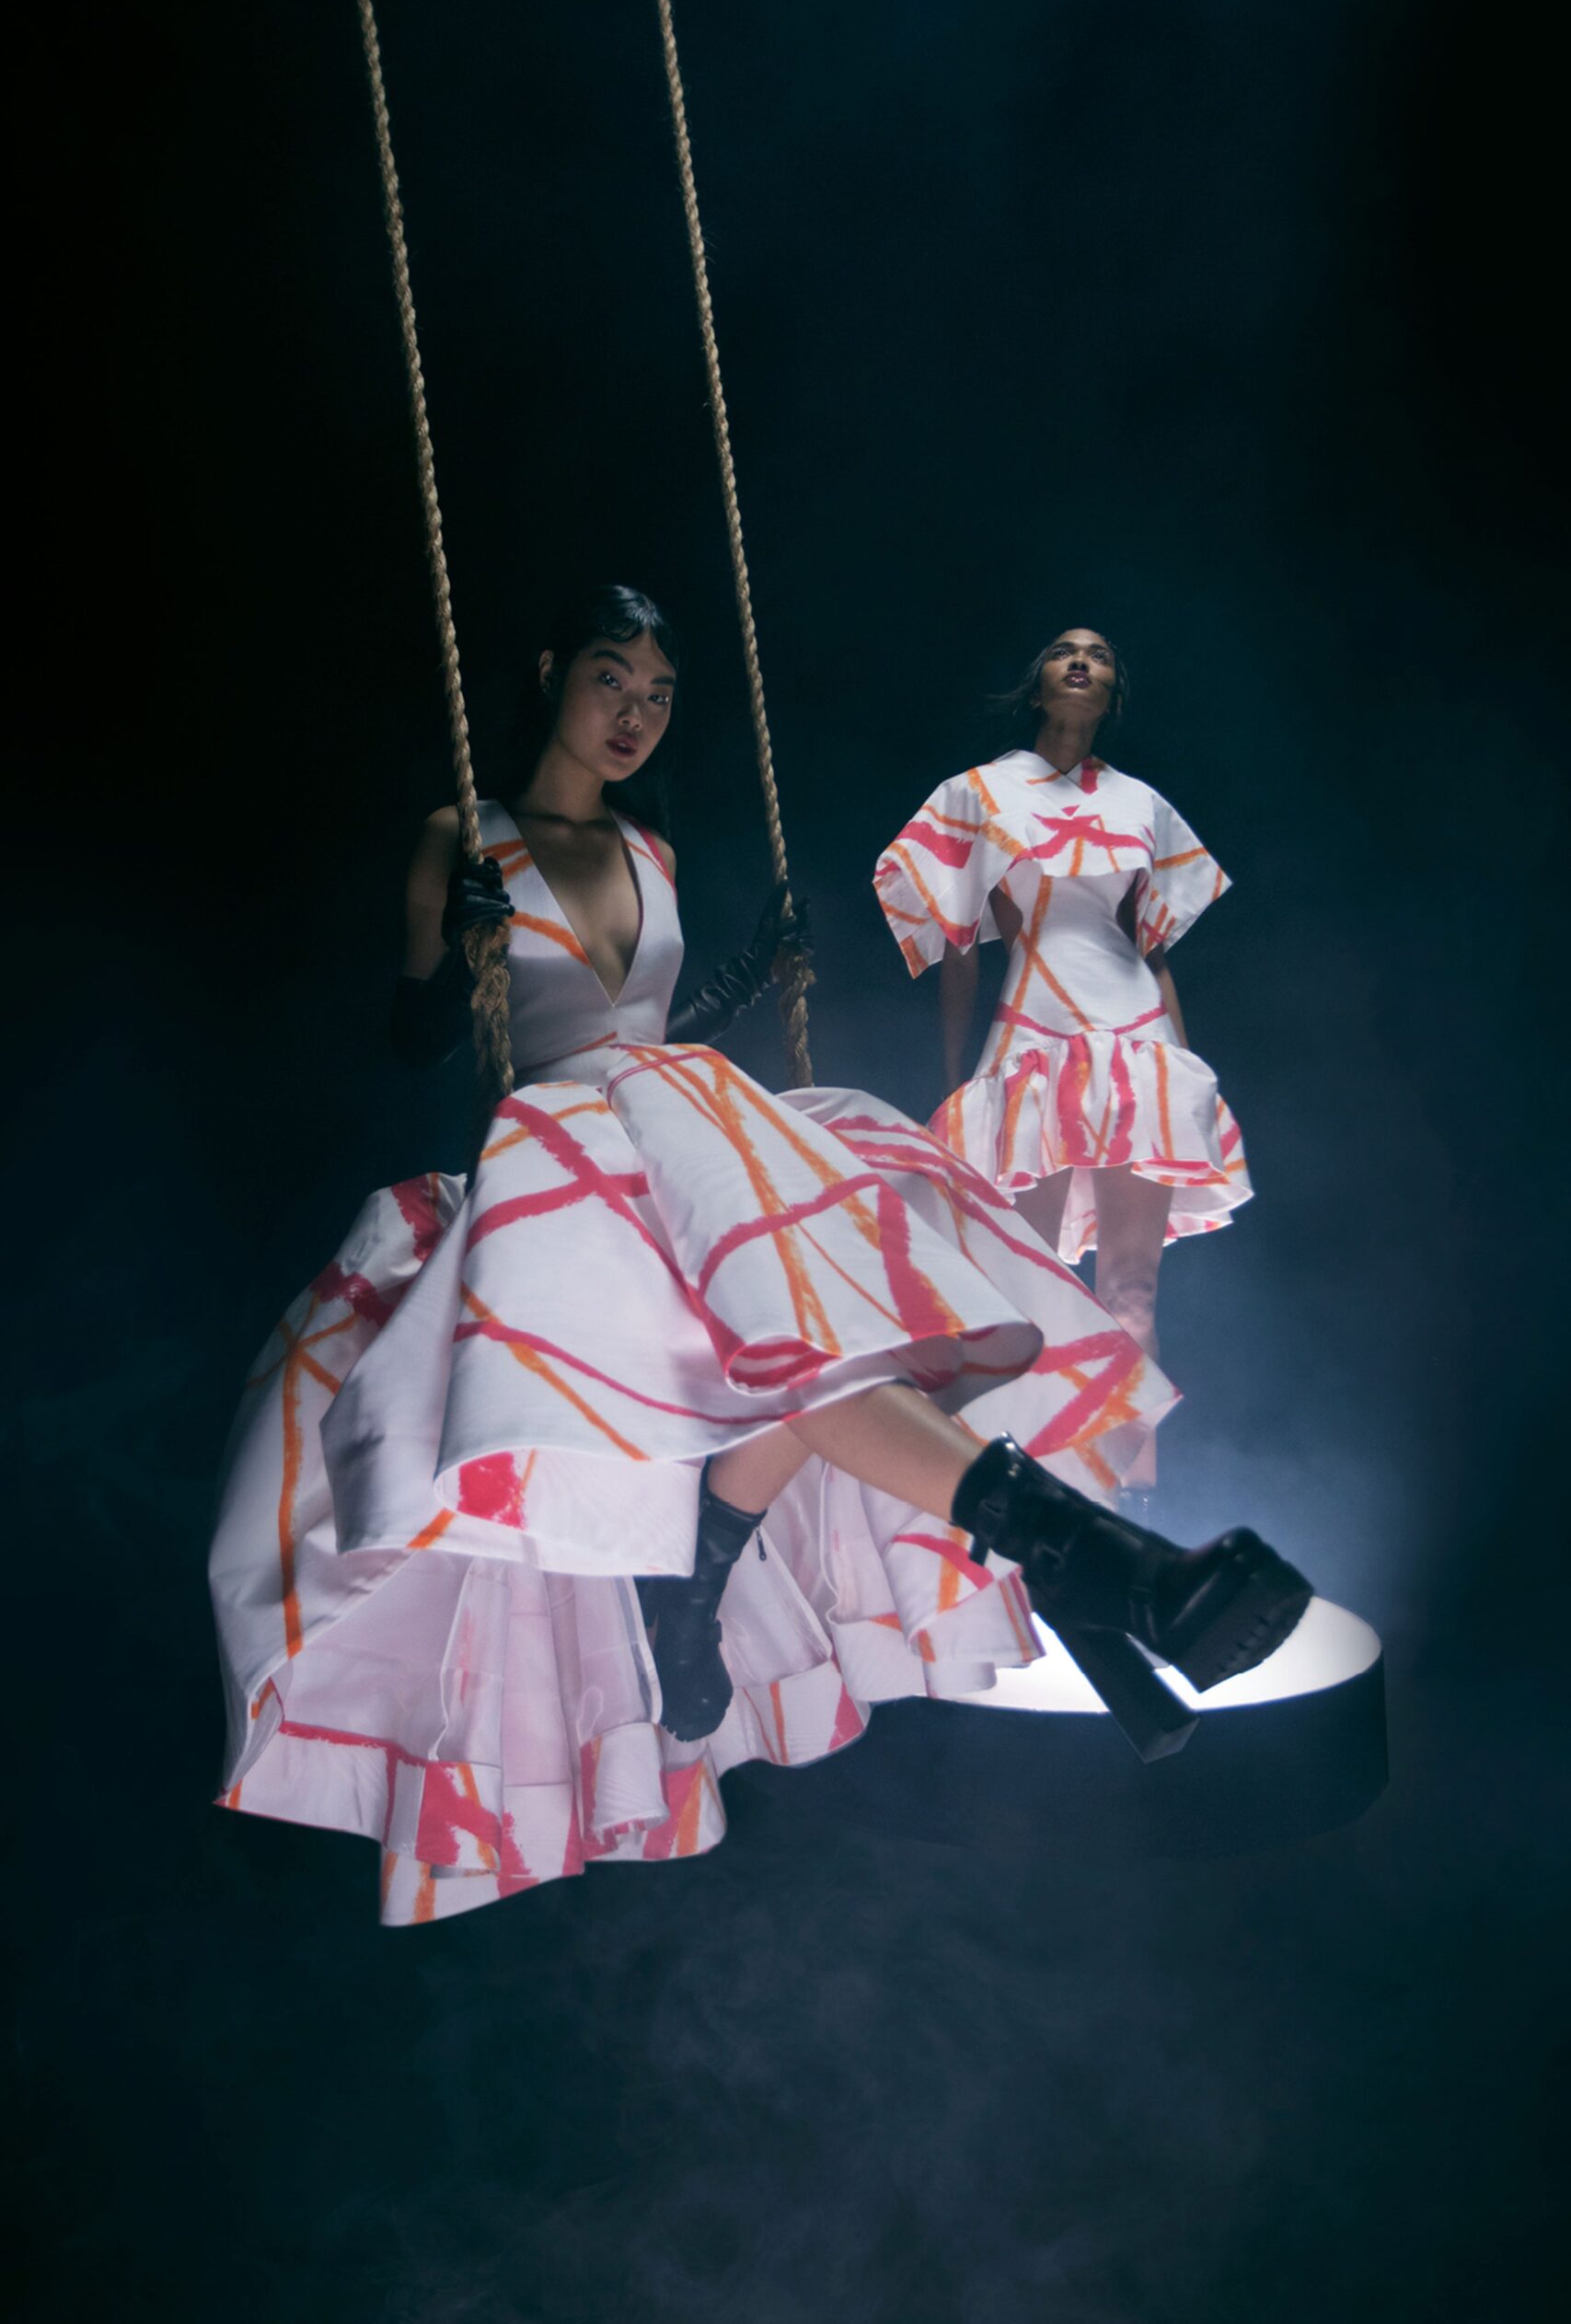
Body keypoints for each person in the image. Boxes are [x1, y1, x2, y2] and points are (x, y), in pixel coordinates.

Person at [210, 587, 1306, 1925]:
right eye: (610, 678)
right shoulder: (466, 833)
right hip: (563, 1149)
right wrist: (462, 961)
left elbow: (650, 1026)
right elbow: (416, 1037)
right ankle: (1091, 1571)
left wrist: (741, 981)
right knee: (802, 1319)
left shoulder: (651, 849)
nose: (634, 714)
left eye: (658, 696)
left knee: (846, 1306)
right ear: (552, 674)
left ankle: (924, 1566)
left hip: (681, 1122)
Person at [875, 627, 1252, 1501]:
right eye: (1063, 651)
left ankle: (1132, 1503)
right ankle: (1028, 1502)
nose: (1081, 661)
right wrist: (955, 1082)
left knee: (1131, 1289)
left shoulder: (1141, 804)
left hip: (1135, 1035)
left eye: (1101, 655)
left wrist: (1186, 1078)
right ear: (1037, 682)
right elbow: (958, 950)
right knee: (1027, 1287)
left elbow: (1152, 949)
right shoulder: (978, 793)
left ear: (1112, 693)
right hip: (1030, 1039)